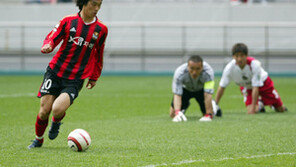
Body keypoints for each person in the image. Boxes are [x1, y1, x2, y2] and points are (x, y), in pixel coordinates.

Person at [28, 0, 108, 149]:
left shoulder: (101, 29)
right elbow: (53, 36)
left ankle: (56, 122)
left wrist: (94, 76)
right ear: (84, 2)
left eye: (99, 5)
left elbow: (99, 54)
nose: (97, 8)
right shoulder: (67, 21)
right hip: (55, 72)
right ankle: (38, 139)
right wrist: (49, 45)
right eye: (93, 4)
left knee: (57, 109)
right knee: (44, 110)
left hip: (76, 78)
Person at [215, 43, 287, 114]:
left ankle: (271, 104)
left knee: (280, 109)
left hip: (264, 84)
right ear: (233, 57)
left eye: (242, 56)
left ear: (246, 56)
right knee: (251, 110)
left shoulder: (254, 64)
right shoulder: (229, 68)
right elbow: (222, 87)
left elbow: (255, 87)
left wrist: (253, 109)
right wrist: (215, 106)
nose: (239, 59)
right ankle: (260, 104)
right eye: (237, 56)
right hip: (247, 87)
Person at [170, 55, 222, 122]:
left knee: (208, 114)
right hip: (186, 90)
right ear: (187, 67)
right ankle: (184, 106)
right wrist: (177, 112)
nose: (194, 72)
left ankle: (214, 106)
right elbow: (177, 94)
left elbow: (208, 93)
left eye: (198, 69)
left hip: (201, 91)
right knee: (172, 114)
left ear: (202, 67)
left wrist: (209, 114)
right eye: (191, 68)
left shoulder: (208, 73)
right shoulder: (179, 73)